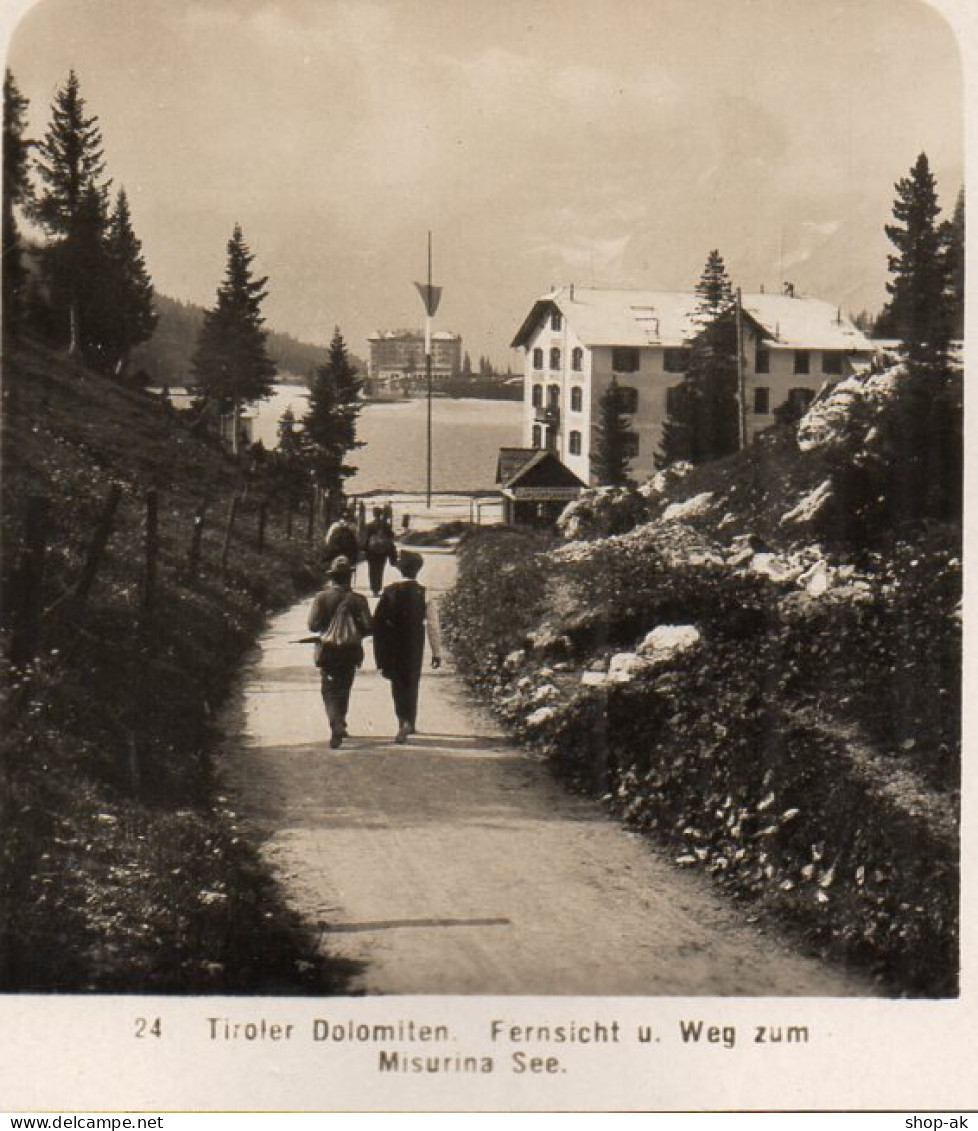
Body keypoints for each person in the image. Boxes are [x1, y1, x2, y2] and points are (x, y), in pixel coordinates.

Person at [372, 550, 442, 744]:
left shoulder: (389, 591)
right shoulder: (425, 592)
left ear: (400, 569)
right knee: (412, 680)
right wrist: (436, 652)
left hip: (393, 643)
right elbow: (433, 626)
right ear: (418, 570)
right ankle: (410, 721)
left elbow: (377, 622)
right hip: (414, 642)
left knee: (397, 682)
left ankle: (401, 720)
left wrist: (380, 650)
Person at [308, 555, 372, 749]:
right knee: (345, 686)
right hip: (351, 651)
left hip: (328, 650)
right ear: (349, 577)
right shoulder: (359, 599)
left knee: (328, 690)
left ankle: (335, 722)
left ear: (332, 577)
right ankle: (341, 722)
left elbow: (312, 626)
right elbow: (369, 627)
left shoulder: (322, 598)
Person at [363, 505, 398, 596]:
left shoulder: (369, 526)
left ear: (374, 515)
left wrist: (364, 549)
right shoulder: (386, 525)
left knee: (372, 569)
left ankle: (373, 588)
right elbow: (391, 538)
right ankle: (378, 587)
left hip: (371, 551)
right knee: (380, 569)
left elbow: (366, 539)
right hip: (383, 551)